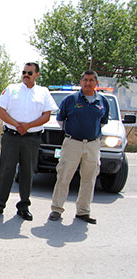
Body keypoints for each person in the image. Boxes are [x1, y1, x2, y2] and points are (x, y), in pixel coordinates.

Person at [0, 62, 57, 221]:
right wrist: (17, 125)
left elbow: (46, 116)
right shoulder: (11, 89)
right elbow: (1, 112)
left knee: (27, 172)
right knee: (6, 171)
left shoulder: (43, 92)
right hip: (11, 137)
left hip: (31, 139)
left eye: (30, 73)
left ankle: (24, 207)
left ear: (37, 75)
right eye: (24, 72)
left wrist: (28, 126)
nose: (26, 75)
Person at [48, 70, 109, 224]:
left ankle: (83, 211)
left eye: (91, 80)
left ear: (96, 83)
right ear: (81, 82)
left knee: (89, 179)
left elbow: (102, 122)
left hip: (92, 144)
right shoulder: (70, 100)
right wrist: (74, 133)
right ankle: (56, 209)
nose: (88, 83)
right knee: (63, 177)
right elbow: (61, 120)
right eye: (85, 80)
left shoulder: (102, 102)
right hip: (72, 143)